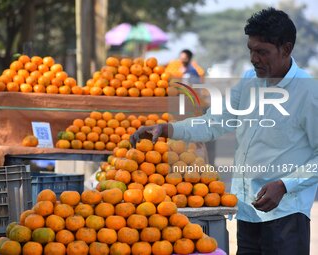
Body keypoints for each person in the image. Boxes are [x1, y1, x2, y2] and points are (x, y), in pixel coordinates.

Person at [131, 8, 318, 255]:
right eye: (251, 50)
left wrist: (285, 185)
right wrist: (167, 129)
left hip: (286, 215)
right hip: (246, 210)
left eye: (262, 52)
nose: (254, 58)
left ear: (286, 49)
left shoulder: (308, 93)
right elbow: (216, 122)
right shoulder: (250, 81)